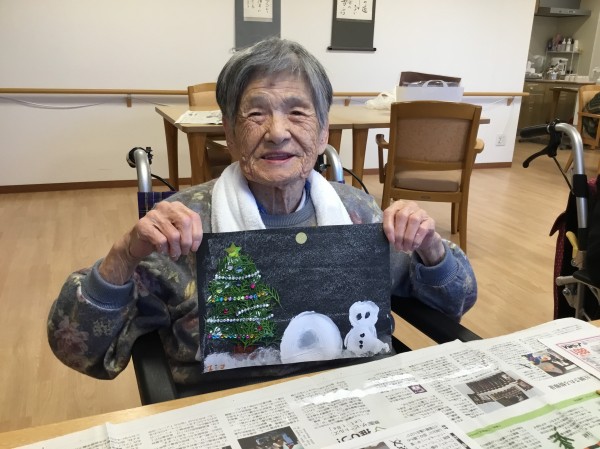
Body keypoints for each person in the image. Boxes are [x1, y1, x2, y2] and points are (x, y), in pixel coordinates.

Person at [47, 37, 477, 386]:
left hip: (353, 401)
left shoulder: (358, 214)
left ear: (323, 133)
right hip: (228, 408)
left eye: (297, 112)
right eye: (256, 114)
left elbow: (455, 302)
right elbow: (78, 350)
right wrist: (124, 253)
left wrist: (430, 247)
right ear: (230, 133)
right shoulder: (182, 226)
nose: (277, 132)